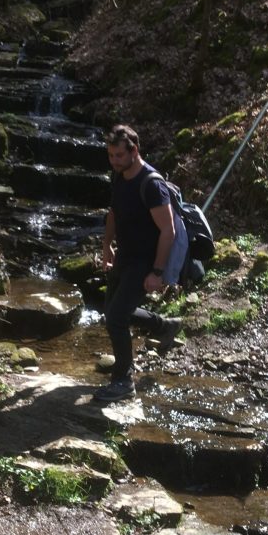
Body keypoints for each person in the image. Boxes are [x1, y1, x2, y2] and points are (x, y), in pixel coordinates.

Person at [94, 124, 183, 403]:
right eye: (111, 155)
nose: (114, 161)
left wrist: (157, 272)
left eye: (119, 155)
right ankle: (165, 326)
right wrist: (107, 245)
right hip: (124, 256)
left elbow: (168, 231)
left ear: (135, 150)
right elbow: (113, 213)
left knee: (117, 318)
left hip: (144, 261)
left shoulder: (152, 185)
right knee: (112, 312)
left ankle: (123, 380)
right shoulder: (119, 177)